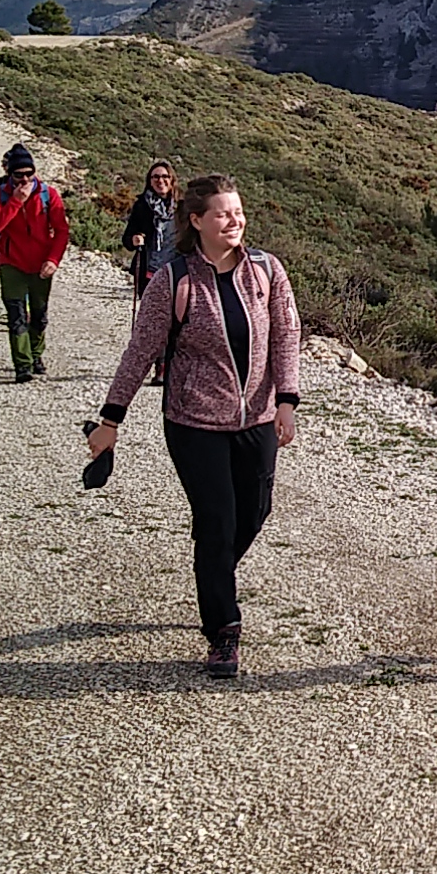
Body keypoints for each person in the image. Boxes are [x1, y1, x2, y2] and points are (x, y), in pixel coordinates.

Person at [87, 174, 301, 679]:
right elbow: (141, 351)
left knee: (254, 512)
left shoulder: (267, 271)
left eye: (239, 211)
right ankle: (223, 631)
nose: (235, 220)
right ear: (197, 221)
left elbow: (286, 335)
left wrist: (287, 399)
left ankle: (213, 569)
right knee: (218, 522)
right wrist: (110, 418)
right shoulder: (175, 278)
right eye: (223, 213)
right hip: (193, 421)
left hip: (259, 417)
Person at [0, 144, 70, 383]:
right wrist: (15, 201)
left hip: (41, 264)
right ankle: (22, 365)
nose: (25, 179)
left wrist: (53, 259)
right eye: (19, 175)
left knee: (39, 314)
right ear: (10, 175)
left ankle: (35, 355)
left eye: (29, 173)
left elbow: (61, 231)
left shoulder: (49, 194)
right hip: (11, 262)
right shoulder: (0, 193)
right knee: (16, 314)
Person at [122, 160, 180, 299]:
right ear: (150, 181)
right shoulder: (142, 205)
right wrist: (134, 240)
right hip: (149, 272)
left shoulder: (183, 207)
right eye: (156, 177)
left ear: (172, 180)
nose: (161, 180)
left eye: (165, 176)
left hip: (177, 272)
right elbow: (127, 239)